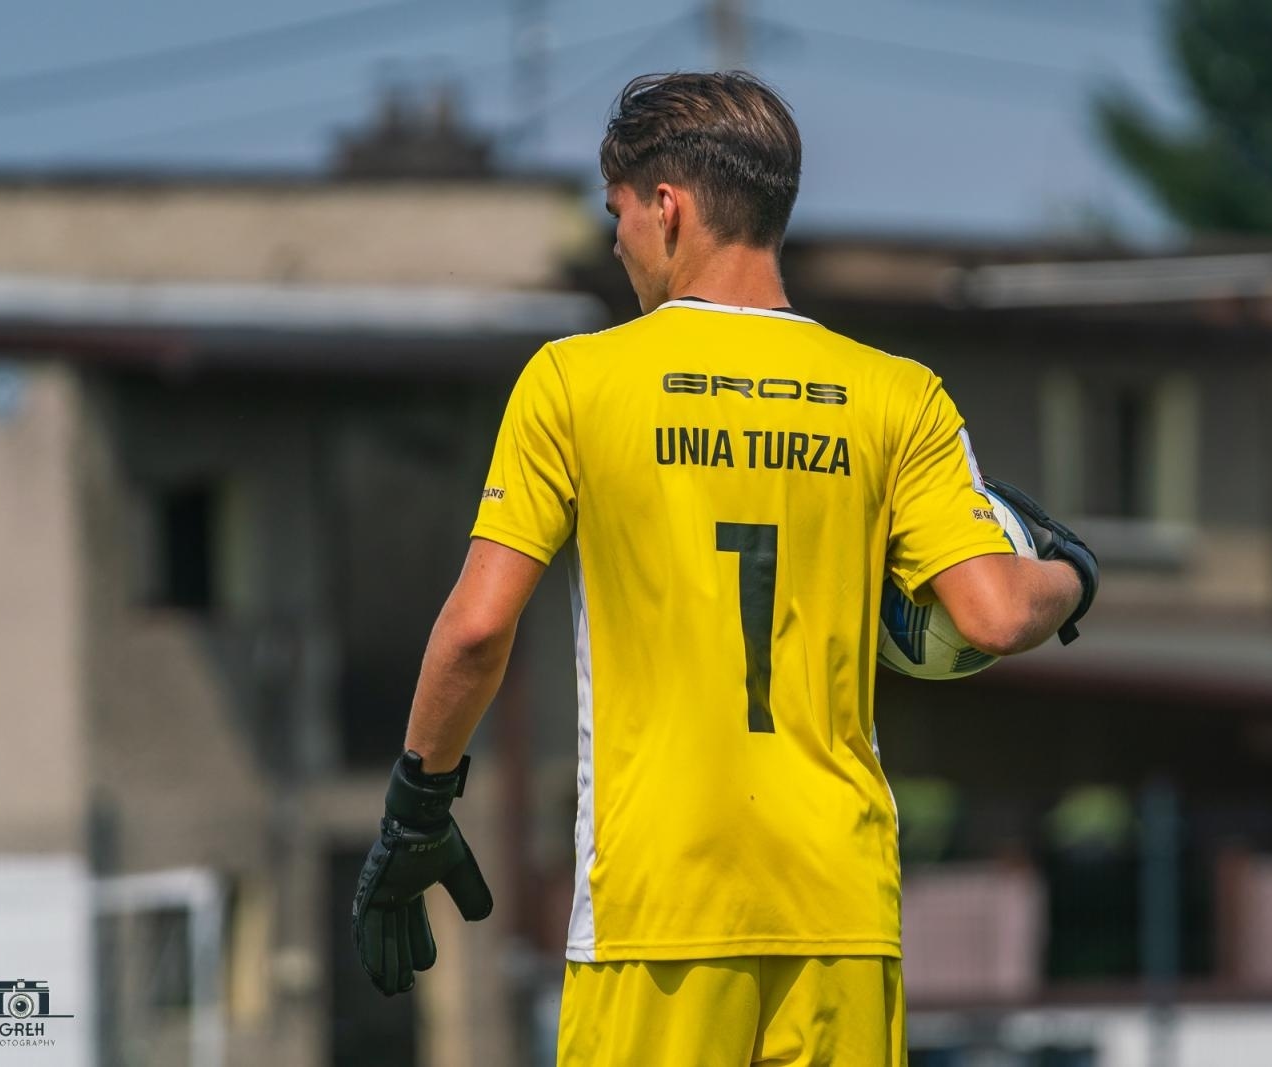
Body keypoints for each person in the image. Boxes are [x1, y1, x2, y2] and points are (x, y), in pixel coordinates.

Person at [351, 71, 1098, 1066]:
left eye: (615, 211)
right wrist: (1074, 574)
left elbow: (479, 626)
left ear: (667, 207)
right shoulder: (897, 397)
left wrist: (416, 808)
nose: (614, 240)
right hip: (838, 906)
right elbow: (997, 611)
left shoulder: (573, 382)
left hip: (657, 908)